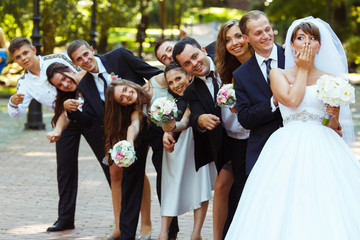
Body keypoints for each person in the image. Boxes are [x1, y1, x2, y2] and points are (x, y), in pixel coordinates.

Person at [225, 17, 360, 239]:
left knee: (327, 198)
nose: (307, 43)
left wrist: (332, 116)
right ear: (292, 45)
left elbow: (331, 124)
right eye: (300, 38)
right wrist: (304, 69)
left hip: (324, 145)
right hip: (286, 145)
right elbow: (293, 101)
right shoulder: (278, 74)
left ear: (320, 45)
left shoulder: (332, 80)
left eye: (312, 38)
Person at [65, 40, 162, 240]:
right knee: (123, 177)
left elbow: (154, 73)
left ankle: (152, 226)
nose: (85, 60)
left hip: (147, 122)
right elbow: (91, 120)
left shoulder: (119, 56)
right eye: (79, 59)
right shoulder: (84, 85)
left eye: (85, 54)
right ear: (75, 64)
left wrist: (147, 95)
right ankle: (123, 230)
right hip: (121, 134)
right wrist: (71, 111)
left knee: (151, 173)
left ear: (92, 49)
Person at [45, 63, 153, 240]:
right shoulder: (73, 95)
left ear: (70, 70)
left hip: (128, 125)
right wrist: (57, 130)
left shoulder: (91, 79)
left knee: (137, 174)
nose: (64, 84)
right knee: (115, 175)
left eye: (64, 78)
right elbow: (64, 115)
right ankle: (119, 227)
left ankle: (146, 225)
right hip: (107, 133)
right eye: (59, 84)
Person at [6, 37, 86, 232]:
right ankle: (65, 219)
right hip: (64, 122)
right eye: (18, 57)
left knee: (108, 161)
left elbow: (82, 77)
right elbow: (16, 114)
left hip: (87, 112)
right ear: (15, 61)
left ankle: (123, 216)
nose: (23, 58)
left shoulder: (56, 59)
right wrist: (14, 102)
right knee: (65, 171)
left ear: (33, 50)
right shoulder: (24, 82)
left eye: (25, 53)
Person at [159, 62, 216, 240]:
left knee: (202, 185)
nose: (176, 85)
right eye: (171, 82)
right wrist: (166, 129)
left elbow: (185, 120)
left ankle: (196, 233)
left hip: (197, 141)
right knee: (171, 186)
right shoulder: (167, 100)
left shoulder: (195, 94)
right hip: (175, 146)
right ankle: (163, 234)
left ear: (188, 76)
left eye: (178, 78)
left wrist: (172, 127)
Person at [212, 19, 253, 240]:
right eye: (227, 40)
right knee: (237, 192)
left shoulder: (263, 63)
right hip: (235, 140)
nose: (234, 43)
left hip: (260, 137)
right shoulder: (223, 71)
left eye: (238, 36)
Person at [233, 10, 284, 175]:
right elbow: (245, 118)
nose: (266, 36)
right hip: (263, 150)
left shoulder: (292, 56)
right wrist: (273, 102)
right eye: (258, 33)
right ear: (246, 38)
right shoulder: (241, 75)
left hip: (300, 143)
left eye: (267, 29)